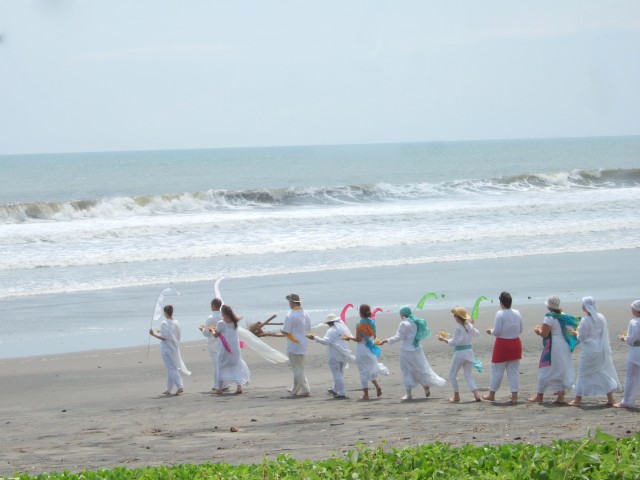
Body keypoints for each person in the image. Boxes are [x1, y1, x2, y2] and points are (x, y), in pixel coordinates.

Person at [378, 306, 446, 401]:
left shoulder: (403, 324)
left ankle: (409, 395)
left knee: (406, 371)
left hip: (406, 350)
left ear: (402, 315)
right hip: (416, 349)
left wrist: (385, 340)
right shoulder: (415, 322)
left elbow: (398, 337)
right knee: (418, 369)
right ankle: (424, 384)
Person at [568, 296, 621, 407]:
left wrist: (575, 333)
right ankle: (610, 398)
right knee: (601, 371)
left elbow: (581, 337)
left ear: (584, 308)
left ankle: (577, 399)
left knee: (583, 373)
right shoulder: (601, 317)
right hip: (600, 349)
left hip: (589, 350)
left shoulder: (585, 320)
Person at [528, 296, 580, 404]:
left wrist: (537, 331)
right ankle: (560, 396)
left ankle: (540, 395)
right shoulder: (564, 316)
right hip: (564, 345)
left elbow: (545, 334)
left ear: (549, 306)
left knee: (544, 369)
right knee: (562, 370)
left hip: (553, 346)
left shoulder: (549, 317)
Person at [483, 291, 523, 403]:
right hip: (515, 343)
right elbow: (520, 330)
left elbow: (497, 332)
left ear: (501, 302)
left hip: (502, 345)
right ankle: (514, 396)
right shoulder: (517, 312)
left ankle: (492, 394)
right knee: (513, 372)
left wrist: (490, 331)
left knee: (497, 371)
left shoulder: (500, 314)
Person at [344, 304, 389, 401]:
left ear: (360, 313)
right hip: (371, 348)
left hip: (362, 349)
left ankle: (366, 395)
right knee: (370, 368)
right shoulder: (372, 323)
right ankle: (377, 386)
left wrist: (349, 337)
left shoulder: (359, 325)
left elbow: (358, 339)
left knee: (363, 371)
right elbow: (375, 337)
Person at [438, 306, 482, 402]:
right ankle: (476, 395)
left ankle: (456, 396)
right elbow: (477, 334)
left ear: (458, 317)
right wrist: (472, 326)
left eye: (455, 316)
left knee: (452, 375)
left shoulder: (458, 328)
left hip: (460, 353)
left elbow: (454, 342)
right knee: (468, 375)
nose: (454, 317)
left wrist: (443, 339)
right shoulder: (469, 326)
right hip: (469, 353)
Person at [307, 314, 353, 399]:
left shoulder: (331, 331)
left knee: (336, 373)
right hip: (344, 352)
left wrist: (315, 338)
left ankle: (342, 392)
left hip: (334, 353)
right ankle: (335, 389)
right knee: (340, 372)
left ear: (329, 323)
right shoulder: (342, 330)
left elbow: (326, 341)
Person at [148, 304, 191, 396]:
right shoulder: (176, 322)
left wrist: (153, 334)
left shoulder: (164, 323)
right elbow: (178, 336)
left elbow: (164, 337)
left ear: (165, 313)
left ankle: (180, 386)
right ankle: (168, 389)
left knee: (171, 368)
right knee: (170, 368)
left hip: (166, 348)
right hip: (174, 347)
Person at [212, 304, 250, 394]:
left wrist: (212, 330)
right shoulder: (235, 322)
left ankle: (219, 388)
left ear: (224, 313)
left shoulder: (221, 323)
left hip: (225, 349)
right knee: (236, 366)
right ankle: (239, 387)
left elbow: (216, 335)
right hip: (235, 348)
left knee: (220, 366)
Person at [281, 293, 312, 397]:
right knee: (299, 366)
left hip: (293, 344)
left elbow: (286, 331)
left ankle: (305, 388)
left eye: (289, 302)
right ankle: (295, 389)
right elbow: (308, 329)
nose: (289, 304)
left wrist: (282, 331)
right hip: (303, 343)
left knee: (296, 368)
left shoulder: (290, 315)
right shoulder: (305, 313)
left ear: (292, 302)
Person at [614, 300, 640, 408]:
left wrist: (624, 338)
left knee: (631, 376)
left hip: (635, 352)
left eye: (632, 309)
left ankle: (627, 401)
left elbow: (631, 339)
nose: (631, 311)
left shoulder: (634, 322)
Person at [199, 298, 228, 392]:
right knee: (222, 363)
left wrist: (202, 329)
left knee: (216, 364)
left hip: (213, 342)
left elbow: (207, 333)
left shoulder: (210, 318)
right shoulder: (223, 317)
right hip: (223, 342)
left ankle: (217, 384)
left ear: (213, 306)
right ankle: (224, 383)